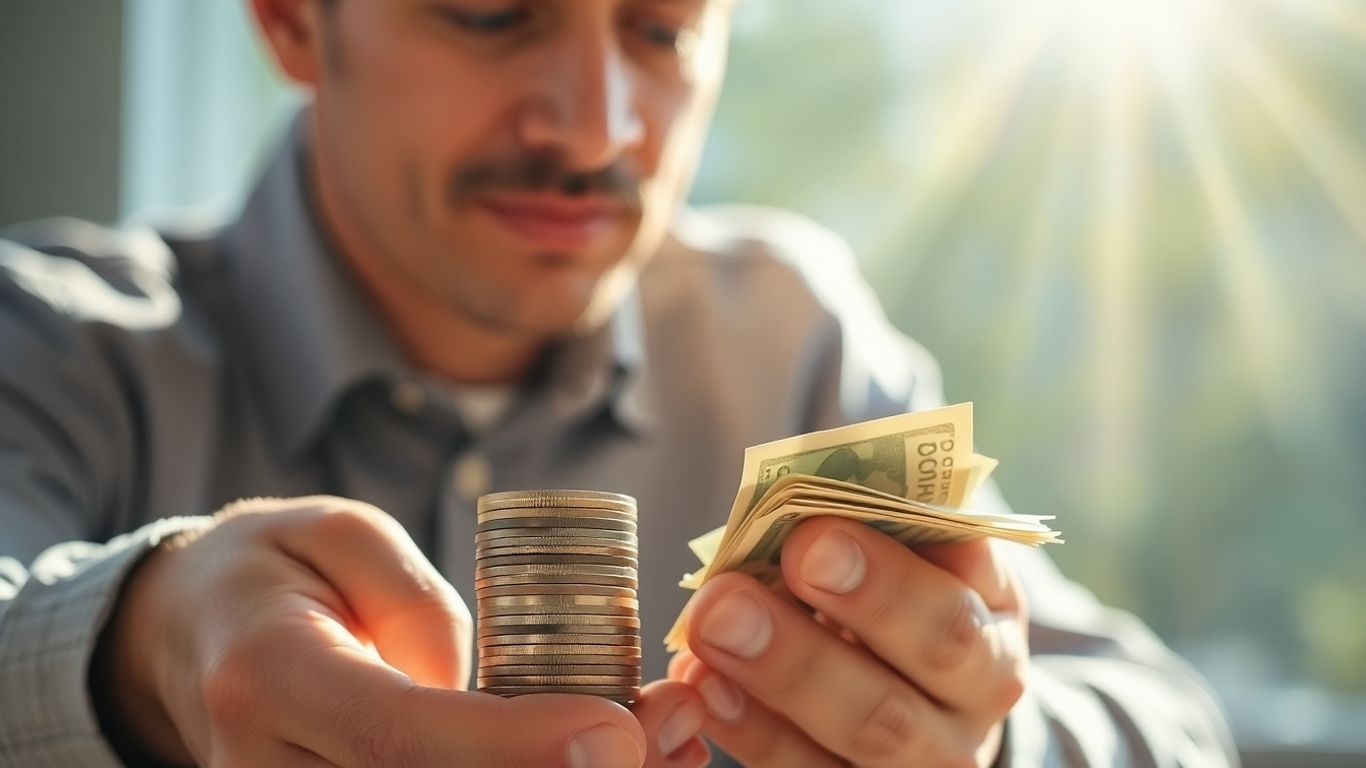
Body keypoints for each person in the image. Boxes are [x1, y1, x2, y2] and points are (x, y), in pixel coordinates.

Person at [0, 1, 1238, 766]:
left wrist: (983, 737)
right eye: (491, 14)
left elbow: (1169, 724)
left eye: (661, 29)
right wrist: (135, 651)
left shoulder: (793, 339)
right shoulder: (57, 346)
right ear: (288, 17)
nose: (595, 130)